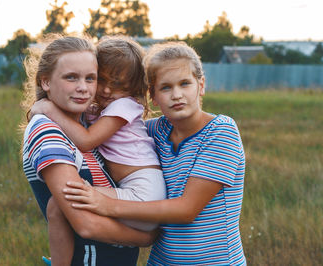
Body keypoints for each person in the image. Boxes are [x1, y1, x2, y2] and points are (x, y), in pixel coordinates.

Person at [62, 41, 247, 265]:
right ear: (153, 95)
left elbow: (186, 210)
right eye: (166, 87)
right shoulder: (156, 131)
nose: (176, 94)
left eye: (185, 84)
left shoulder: (220, 132)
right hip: (161, 261)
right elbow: (115, 133)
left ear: (201, 85)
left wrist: (106, 204)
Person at [30, 35, 166, 264]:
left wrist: (48, 108)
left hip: (144, 195)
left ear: (133, 89)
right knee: (61, 206)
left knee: (60, 205)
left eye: (120, 85)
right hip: (137, 195)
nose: (106, 90)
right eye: (101, 79)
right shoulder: (101, 108)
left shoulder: (124, 106)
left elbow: (86, 140)